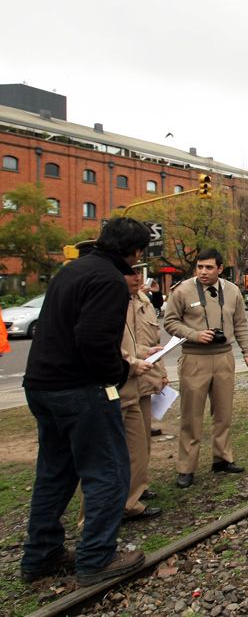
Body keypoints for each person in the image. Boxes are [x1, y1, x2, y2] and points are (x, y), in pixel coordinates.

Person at [20, 217, 149, 586]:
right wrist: (118, 372)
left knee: (55, 472)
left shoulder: (71, 270)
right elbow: (92, 339)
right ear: (133, 251)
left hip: (42, 385)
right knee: (108, 471)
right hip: (80, 389)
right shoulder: (109, 280)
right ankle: (96, 558)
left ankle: (41, 554)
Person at [163, 248, 248, 488]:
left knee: (223, 414)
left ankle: (222, 459)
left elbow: (240, 324)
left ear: (220, 269)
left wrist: (247, 351)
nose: (203, 272)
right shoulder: (182, 291)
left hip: (224, 357)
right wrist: (194, 334)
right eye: (200, 267)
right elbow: (170, 322)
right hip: (194, 358)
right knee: (191, 417)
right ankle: (186, 468)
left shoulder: (233, 291)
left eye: (209, 268)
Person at [120, 265, 168, 521]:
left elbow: (153, 341)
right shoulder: (114, 301)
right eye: (132, 273)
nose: (138, 278)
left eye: (140, 273)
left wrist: (160, 372)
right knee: (128, 444)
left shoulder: (144, 300)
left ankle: (138, 488)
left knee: (143, 441)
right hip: (125, 376)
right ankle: (127, 500)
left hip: (145, 374)